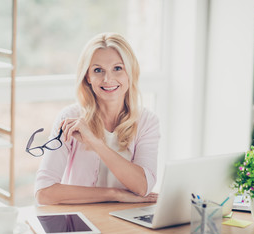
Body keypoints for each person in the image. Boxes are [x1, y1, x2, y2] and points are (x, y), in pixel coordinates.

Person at [35, 32, 160, 205]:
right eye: (98, 70)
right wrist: (115, 194)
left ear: (130, 72)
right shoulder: (70, 118)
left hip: (129, 221)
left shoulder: (147, 121)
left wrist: (95, 143)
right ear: (88, 76)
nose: (108, 79)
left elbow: (143, 186)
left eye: (117, 68)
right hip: (81, 220)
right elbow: (44, 193)